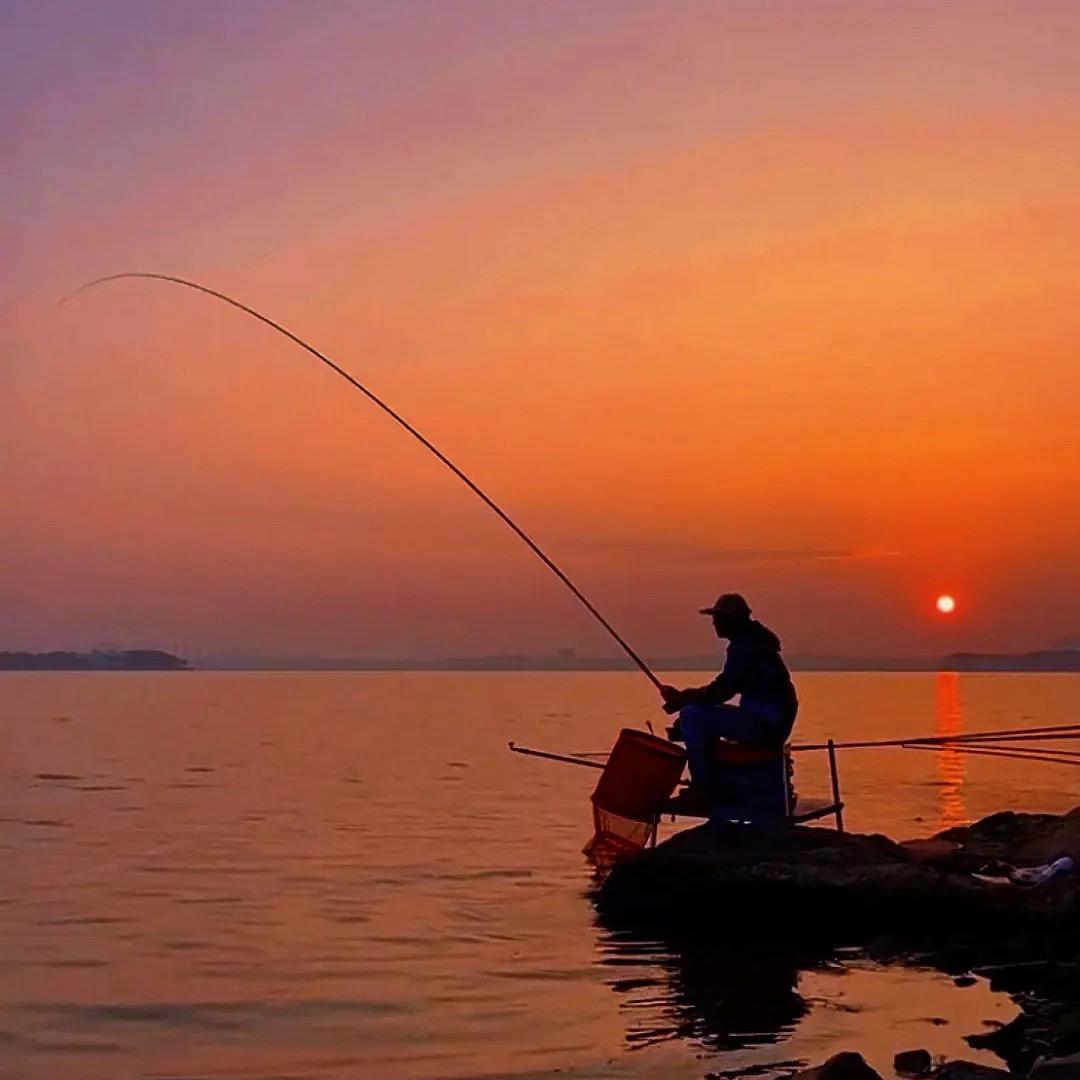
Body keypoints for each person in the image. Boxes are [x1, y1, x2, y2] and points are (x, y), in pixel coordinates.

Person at [661, 593, 798, 791]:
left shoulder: (746, 646)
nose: (714, 623)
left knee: (691, 716)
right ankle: (714, 780)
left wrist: (683, 700)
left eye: (718, 618)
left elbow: (721, 690)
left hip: (766, 725)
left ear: (732, 620)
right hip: (772, 723)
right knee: (695, 714)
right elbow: (721, 690)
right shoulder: (754, 642)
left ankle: (703, 788)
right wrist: (686, 698)